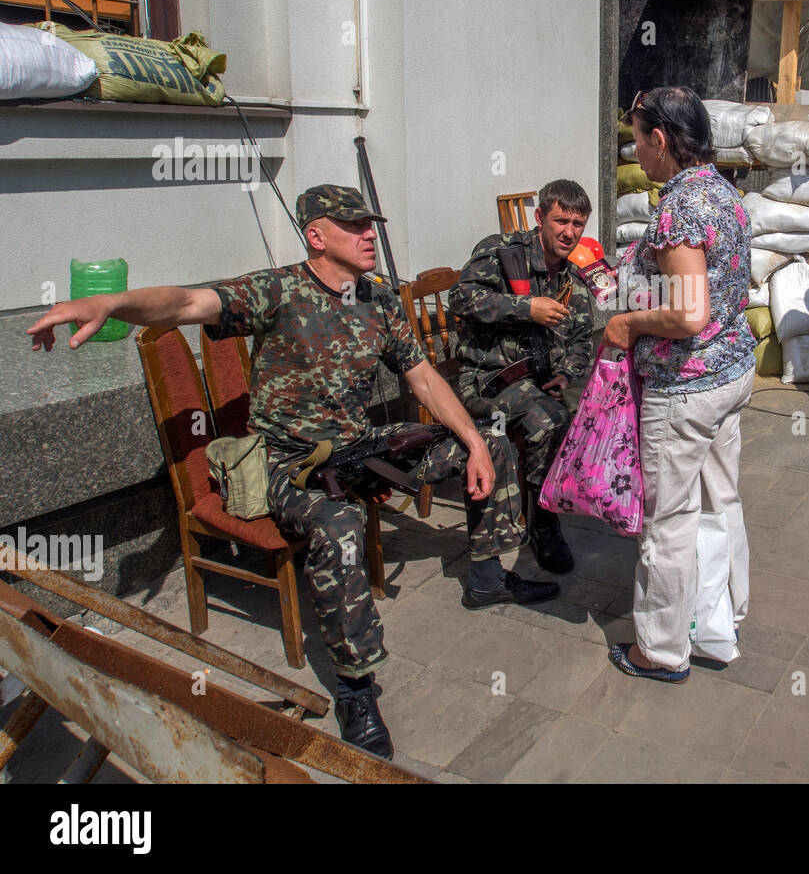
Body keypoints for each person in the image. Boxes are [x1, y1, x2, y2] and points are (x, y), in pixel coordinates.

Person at [27, 184, 556, 759]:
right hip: (291, 462)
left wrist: (474, 443)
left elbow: (424, 377)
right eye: (354, 227)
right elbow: (185, 304)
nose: (368, 234)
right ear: (317, 235)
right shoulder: (277, 291)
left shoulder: (377, 299)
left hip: (359, 446)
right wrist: (113, 304)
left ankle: (485, 575)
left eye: (370, 225)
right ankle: (357, 686)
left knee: (492, 440)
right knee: (338, 528)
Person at [602, 86, 755, 684]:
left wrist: (626, 320)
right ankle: (722, 619)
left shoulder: (681, 207)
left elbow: (688, 314)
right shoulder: (724, 192)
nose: (636, 151)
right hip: (728, 374)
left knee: (668, 521)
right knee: (721, 501)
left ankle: (660, 650)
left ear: (660, 138)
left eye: (638, 138)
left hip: (685, 388)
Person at [451, 180, 595, 574]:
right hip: (488, 378)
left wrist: (567, 374)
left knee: (595, 415)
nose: (569, 232)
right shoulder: (500, 252)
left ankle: (545, 506)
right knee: (551, 421)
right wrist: (525, 307)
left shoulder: (572, 282)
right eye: (561, 220)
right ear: (539, 218)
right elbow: (462, 299)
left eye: (578, 224)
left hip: (538, 382)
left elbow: (582, 339)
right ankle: (543, 524)